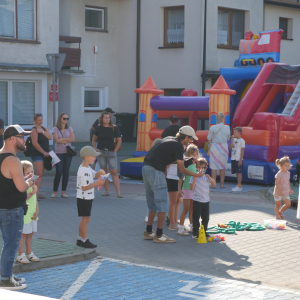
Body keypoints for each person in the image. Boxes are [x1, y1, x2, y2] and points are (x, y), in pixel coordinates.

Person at [142, 126, 204, 243]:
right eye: (190, 139)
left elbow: (171, 160)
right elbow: (181, 170)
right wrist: (196, 175)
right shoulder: (178, 146)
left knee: (152, 202)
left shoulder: (170, 140)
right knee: (162, 203)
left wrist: (188, 160)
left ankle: (148, 232)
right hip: (156, 170)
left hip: (146, 168)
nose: (191, 141)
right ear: (186, 137)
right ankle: (159, 235)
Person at [0, 125, 34, 290]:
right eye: (21, 137)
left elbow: (8, 181)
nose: (24, 140)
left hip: (3, 208)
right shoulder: (13, 160)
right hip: (11, 210)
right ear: (12, 139)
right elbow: (21, 187)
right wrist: (29, 181)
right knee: (11, 245)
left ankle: (7, 275)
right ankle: (5, 279)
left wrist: (21, 178)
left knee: (8, 244)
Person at [76, 146, 105, 248]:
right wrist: (97, 184)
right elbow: (84, 187)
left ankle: (80, 239)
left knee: (84, 219)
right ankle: (84, 240)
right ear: (86, 157)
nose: (95, 158)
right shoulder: (83, 171)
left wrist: (100, 172)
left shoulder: (87, 168)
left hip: (85, 197)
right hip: (84, 198)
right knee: (85, 219)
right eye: (93, 156)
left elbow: (95, 175)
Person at [92, 111, 122, 198]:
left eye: (108, 118)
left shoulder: (114, 128)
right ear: (102, 119)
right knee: (104, 172)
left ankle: (118, 192)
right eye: (105, 118)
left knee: (114, 172)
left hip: (111, 152)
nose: (107, 119)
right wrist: (95, 148)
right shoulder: (99, 128)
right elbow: (94, 140)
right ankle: (106, 191)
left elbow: (119, 139)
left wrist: (115, 150)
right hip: (101, 152)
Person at [17, 161, 39, 264]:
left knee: (30, 234)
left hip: (32, 214)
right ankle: (21, 255)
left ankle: (29, 253)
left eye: (32, 172)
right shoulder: (23, 185)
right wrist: (33, 191)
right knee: (22, 235)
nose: (31, 175)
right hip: (25, 214)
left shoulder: (34, 184)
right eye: (27, 173)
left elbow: (34, 199)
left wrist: (37, 210)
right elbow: (24, 198)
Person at [190, 158, 216, 239]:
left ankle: (204, 231)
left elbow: (214, 184)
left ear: (206, 168)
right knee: (196, 217)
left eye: (203, 167)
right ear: (197, 167)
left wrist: (210, 178)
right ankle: (195, 232)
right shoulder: (194, 176)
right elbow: (191, 188)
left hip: (206, 200)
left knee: (206, 218)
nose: (201, 169)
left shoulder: (206, 177)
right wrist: (195, 180)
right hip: (197, 200)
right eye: (199, 167)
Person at [178, 144, 200, 236]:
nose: (194, 156)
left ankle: (191, 226)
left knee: (192, 209)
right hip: (186, 189)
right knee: (185, 209)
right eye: (192, 154)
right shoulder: (186, 163)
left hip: (193, 189)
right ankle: (180, 228)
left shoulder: (196, 164)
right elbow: (181, 177)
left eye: (195, 154)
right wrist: (179, 189)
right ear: (188, 154)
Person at [52, 112, 75, 198]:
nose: (66, 120)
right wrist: (67, 140)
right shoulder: (55, 129)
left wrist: (62, 139)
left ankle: (63, 192)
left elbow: (73, 139)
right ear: (60, 119)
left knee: (66, 172)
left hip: (68, 153)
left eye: (67, 119)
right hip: (59, 153)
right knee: (58, 172)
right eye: (64, 118)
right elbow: (56, 140)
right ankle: (55, 192)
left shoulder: (69, 128)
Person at [30, 113, 52, 201]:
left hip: (45, 154)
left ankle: (36, 193)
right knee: (38, 174)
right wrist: (43, 152)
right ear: (35, 120)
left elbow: (50, 137)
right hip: (37, 153)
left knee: (40, 175)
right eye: (38, 120)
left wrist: (42, 132)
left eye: (41, 119)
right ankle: (32, 193)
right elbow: (35, 143)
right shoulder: (34, 130)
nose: (40, 121)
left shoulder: (44, 128)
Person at [207, 113, 230, 188]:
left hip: (215, 147)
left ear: (216, 118)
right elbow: (228, 138)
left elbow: (209, 138)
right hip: (224, 147)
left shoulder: (213, 127)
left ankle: (214, 184)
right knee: (222, 166)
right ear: (223, 118)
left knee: (214, 167)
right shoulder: (227, 127)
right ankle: (222, 184)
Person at [166, 161, 182, 231]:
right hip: (172, 178)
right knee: (173, 202)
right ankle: (172, 223)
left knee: (178, 201)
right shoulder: (172, 154)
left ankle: (175, 221)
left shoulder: (183, 154)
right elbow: (166, 165)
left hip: (180, 179)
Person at [229, 127, 245, 192]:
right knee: (236, 172)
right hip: (233, 158)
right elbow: (230, 148)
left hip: (238, 159)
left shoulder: (242, 141)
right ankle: (238, 185)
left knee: (239, 172)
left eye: (235, 132)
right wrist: (232, 140)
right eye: (234, 132)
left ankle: (239, 185)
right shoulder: (234, 139)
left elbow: (242, 151)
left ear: (239, 133)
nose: (234, 133)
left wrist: (240, 160)